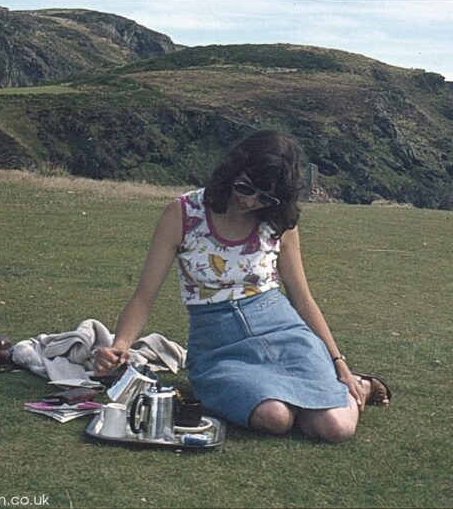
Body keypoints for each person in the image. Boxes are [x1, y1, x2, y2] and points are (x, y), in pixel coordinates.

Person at [94, 130, 390, 443]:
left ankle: (357, 383)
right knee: (275, 417)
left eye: (264, 196)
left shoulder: (277, 221)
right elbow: (143, 298)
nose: (250, 201)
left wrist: (339, 363)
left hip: (284, 332)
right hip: (218, 348)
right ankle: (307, 392)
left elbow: (303, 300)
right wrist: (121, 345)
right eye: (245, 187)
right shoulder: (183, 214)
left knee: (336, 428)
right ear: (232, 170)